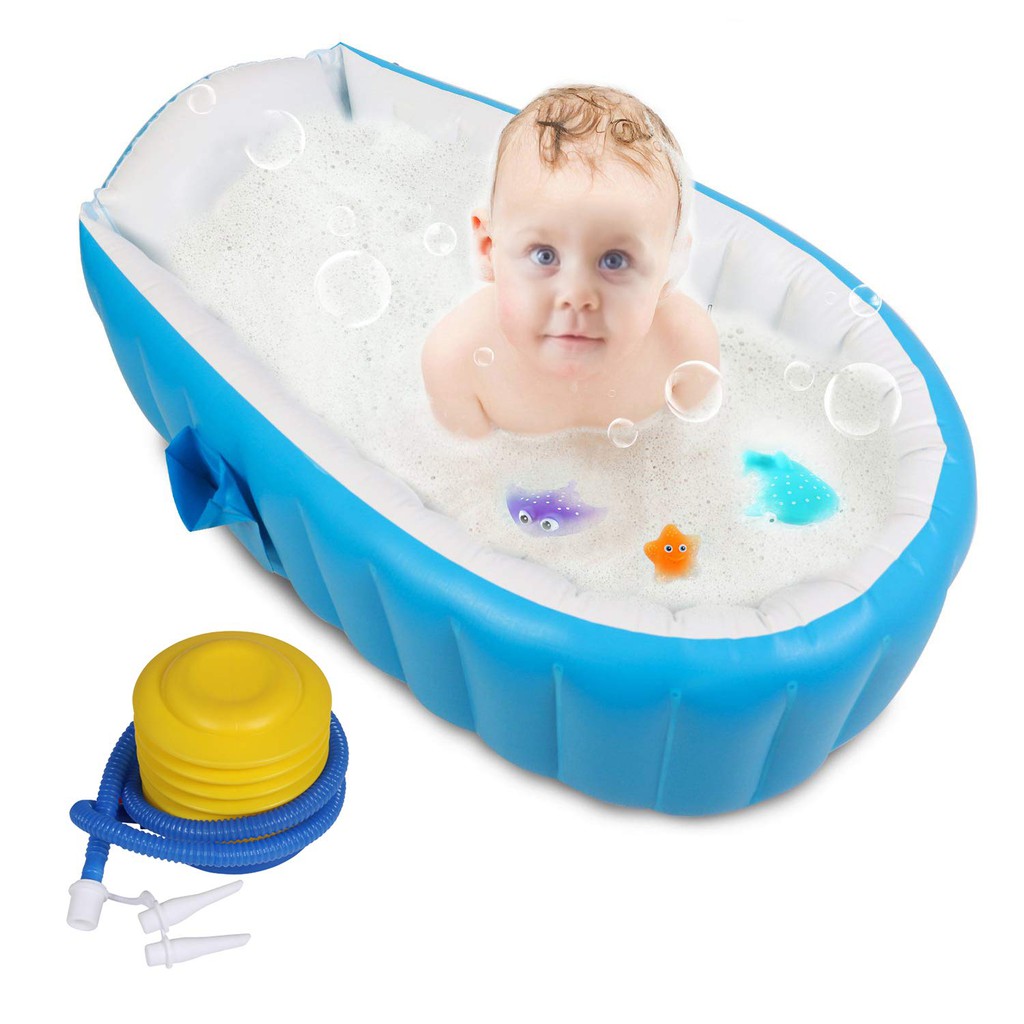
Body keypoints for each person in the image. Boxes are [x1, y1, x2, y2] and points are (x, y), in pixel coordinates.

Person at [421, 85, 719, 438]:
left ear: (670, 266)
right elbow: (468, 467)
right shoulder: (456, 363)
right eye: (544, 255)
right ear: (488, 248)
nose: (576, 296)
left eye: (614, 260)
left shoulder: (686, 348)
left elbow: (690, 447)